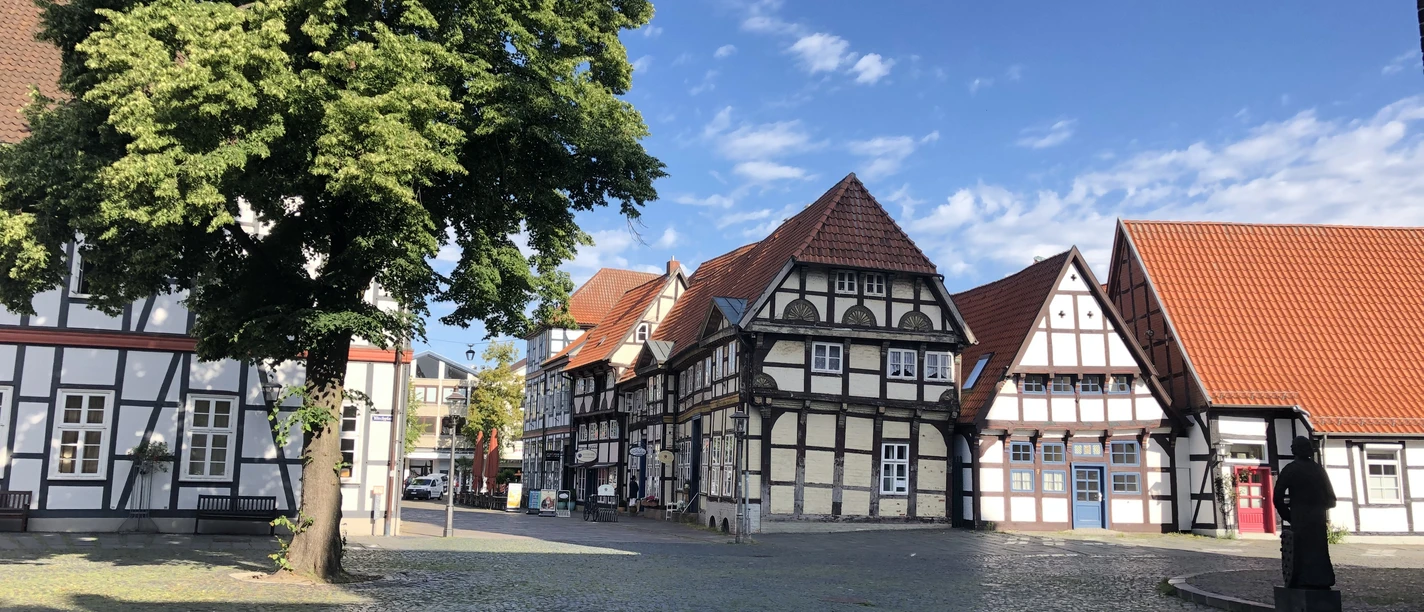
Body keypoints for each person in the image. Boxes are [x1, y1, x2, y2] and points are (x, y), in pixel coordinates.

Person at [1272, 436, 1337, 589]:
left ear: (1294, 450)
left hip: (1299, 518)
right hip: (1317, 519)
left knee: (1300, 552)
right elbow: (1331, 499)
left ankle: (1302, 580)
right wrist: (1318, 509)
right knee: (1318, 550)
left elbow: (1277, 497)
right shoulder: (1318, 470)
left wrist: (1288, 516)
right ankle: (1322, 579)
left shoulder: (1290, 469)